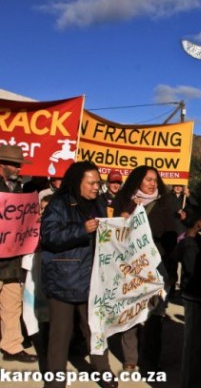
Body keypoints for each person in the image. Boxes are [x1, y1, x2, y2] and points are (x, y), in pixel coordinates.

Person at [40, 161, 116, 388]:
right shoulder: (58, 204)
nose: (96, 187)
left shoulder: (99, 204)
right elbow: (50, 237)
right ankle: (55, 382)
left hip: (93, 280)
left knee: (96, 331)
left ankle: (104, 372)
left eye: (98, 183)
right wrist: (81, 229)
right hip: (64, 280)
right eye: (91, 183)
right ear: (77, 183)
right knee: (60, 336)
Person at [111, 165, 178, 374]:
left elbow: (171, 238)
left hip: (156, 267)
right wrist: (129, 212)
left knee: (154, 314)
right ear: (138, 180)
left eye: (155, 180)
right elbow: (115, 232)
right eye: (148, 179)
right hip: (130, 266)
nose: (152, 184)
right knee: (130, 311)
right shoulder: (123, 199)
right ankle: (130, 358)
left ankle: (150, 361)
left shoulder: (165, 203)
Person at [0, 145, 38, 364]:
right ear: (1, 164)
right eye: (14, 165)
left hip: (11, 260)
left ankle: (12, 346)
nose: (18, 169)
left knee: (12, 303)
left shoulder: (18, 188)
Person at [174, 204, 201, 388]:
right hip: (194, 298)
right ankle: (189, 382)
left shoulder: (193, 242)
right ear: (198, 223)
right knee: (192, 344)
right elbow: (191, 269)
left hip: (194, 296)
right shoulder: (190, 245)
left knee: (195, 342)